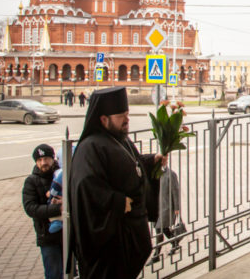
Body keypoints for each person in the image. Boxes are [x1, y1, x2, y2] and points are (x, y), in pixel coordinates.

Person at [68, 87, 165, 278]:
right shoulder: (91, 147)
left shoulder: (120, 140)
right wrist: (117, 201)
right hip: (109, 242)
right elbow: (85, 185)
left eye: (127, 114)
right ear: (104, 119)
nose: (127, 119)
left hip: (127, 236)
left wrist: (151, 159)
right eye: (121, 115)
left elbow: (131, 165)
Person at [22, 143, 63, 279]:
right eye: (39, 160)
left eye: (46, 159)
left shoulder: (62, 175)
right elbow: (31, 208)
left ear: (53, 159)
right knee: (54, 274)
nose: (43, 163)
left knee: (72, 272)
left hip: (68, 233)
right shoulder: (31, 181)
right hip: (47, 237)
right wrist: (58, 209)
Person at [146, 168, 181, 266]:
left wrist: (177, 207)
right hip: (156, 208)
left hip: (166, 208)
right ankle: (174, 242)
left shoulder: (171, 174)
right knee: (164, 229)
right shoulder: (154, 174)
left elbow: (175, 191)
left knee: (159, 229)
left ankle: (156, 255)